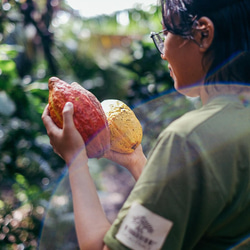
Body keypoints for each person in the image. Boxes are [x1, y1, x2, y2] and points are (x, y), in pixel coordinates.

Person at [42, 0, 250, 249]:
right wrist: (135, 160)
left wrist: (75, 161)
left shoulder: (188, 139)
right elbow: (181, 208)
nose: (163, 52)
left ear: (203, 34)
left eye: (166, 34)